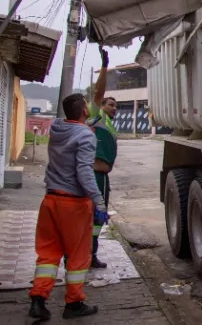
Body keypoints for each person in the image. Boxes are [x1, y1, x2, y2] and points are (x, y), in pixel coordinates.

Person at [29, 93, 109, 320]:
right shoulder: (85, 135)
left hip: (50, 201)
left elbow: (80, 122)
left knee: (47, 254)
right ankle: (73, 303)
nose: (89, 108)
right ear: (84, 111)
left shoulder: (57, 128)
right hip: (73, 204)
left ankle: (38, 300)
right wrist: (99, 202)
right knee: (77, 255)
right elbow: (84, 171)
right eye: (87, 106)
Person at [87, 47, 118, 269]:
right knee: (87, 218)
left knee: (98, 219)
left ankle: (91, 254)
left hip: (103, 179)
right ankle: (80, 256)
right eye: (110, 104)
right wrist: (105, 66)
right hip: (93, 177)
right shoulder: (96, 117)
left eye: (116, 105)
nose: (114, 108)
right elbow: (99, 92)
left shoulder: (110, 126)